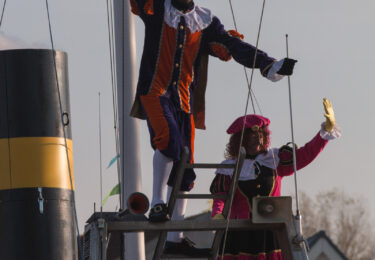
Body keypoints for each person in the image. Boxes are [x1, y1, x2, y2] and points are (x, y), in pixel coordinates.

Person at [129, 0, 297, 255]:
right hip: (156, 92)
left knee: (185, 168)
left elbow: (234, 46)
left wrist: (267, 63)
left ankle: (175, 239)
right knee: (168, 140)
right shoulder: (157, 9)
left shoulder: (205, 21)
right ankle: (157, 202)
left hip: (184, 100)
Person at [210, 98, 341, 259]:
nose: (257, 139)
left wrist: (324, 133)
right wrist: (218, 215)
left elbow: (305, 154)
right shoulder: (229, 167)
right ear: (241, 140)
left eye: (260, 135)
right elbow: (220, 198)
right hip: (239, 234)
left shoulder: (274, 159)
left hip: (270, 234)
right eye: (252, 136)